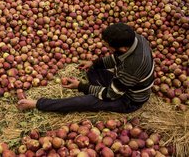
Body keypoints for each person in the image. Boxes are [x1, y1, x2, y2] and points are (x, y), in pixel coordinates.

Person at [17, 23, 154, 113]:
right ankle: (97, 85)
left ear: (123, 48)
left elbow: (110, 95)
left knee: (84, 102)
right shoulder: (136, 39)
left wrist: (81, 87)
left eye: (108, 46)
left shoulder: (133, 66)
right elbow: (117, 57)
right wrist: (94, 63)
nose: (106, 48)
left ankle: (37, 104)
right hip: (125, 83)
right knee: (93, 69)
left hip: (128, 99)